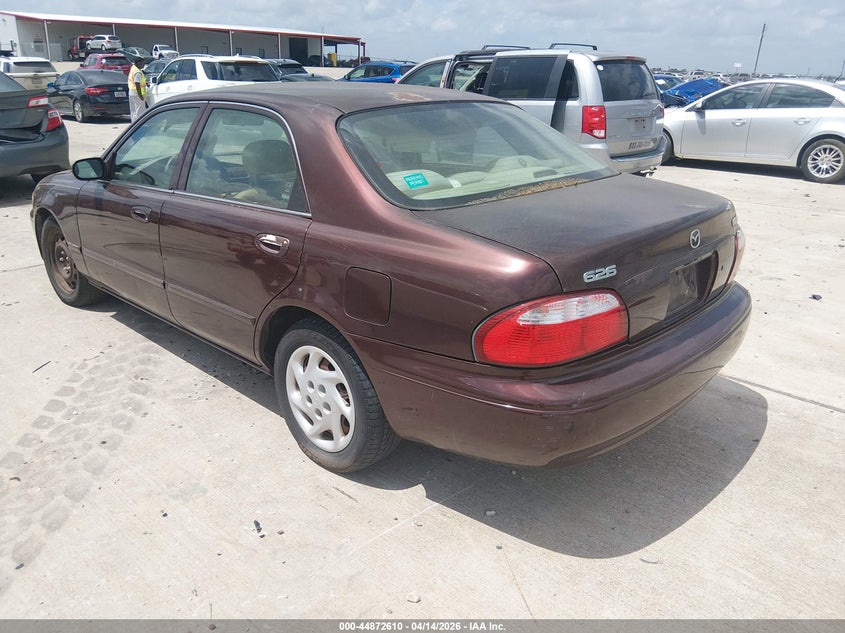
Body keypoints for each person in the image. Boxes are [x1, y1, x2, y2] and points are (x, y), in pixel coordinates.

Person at [127, 57, 149, 122]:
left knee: (134, 111)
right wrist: (140, 95)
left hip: (131, 92)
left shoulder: (133, 68)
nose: (144, 65)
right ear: (138, 63)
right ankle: (139, 124)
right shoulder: (138, 72)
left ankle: (133, 124)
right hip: (137, 94)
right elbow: (137, 83)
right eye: (143, 63)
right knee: (140, 111)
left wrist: (145, 83)